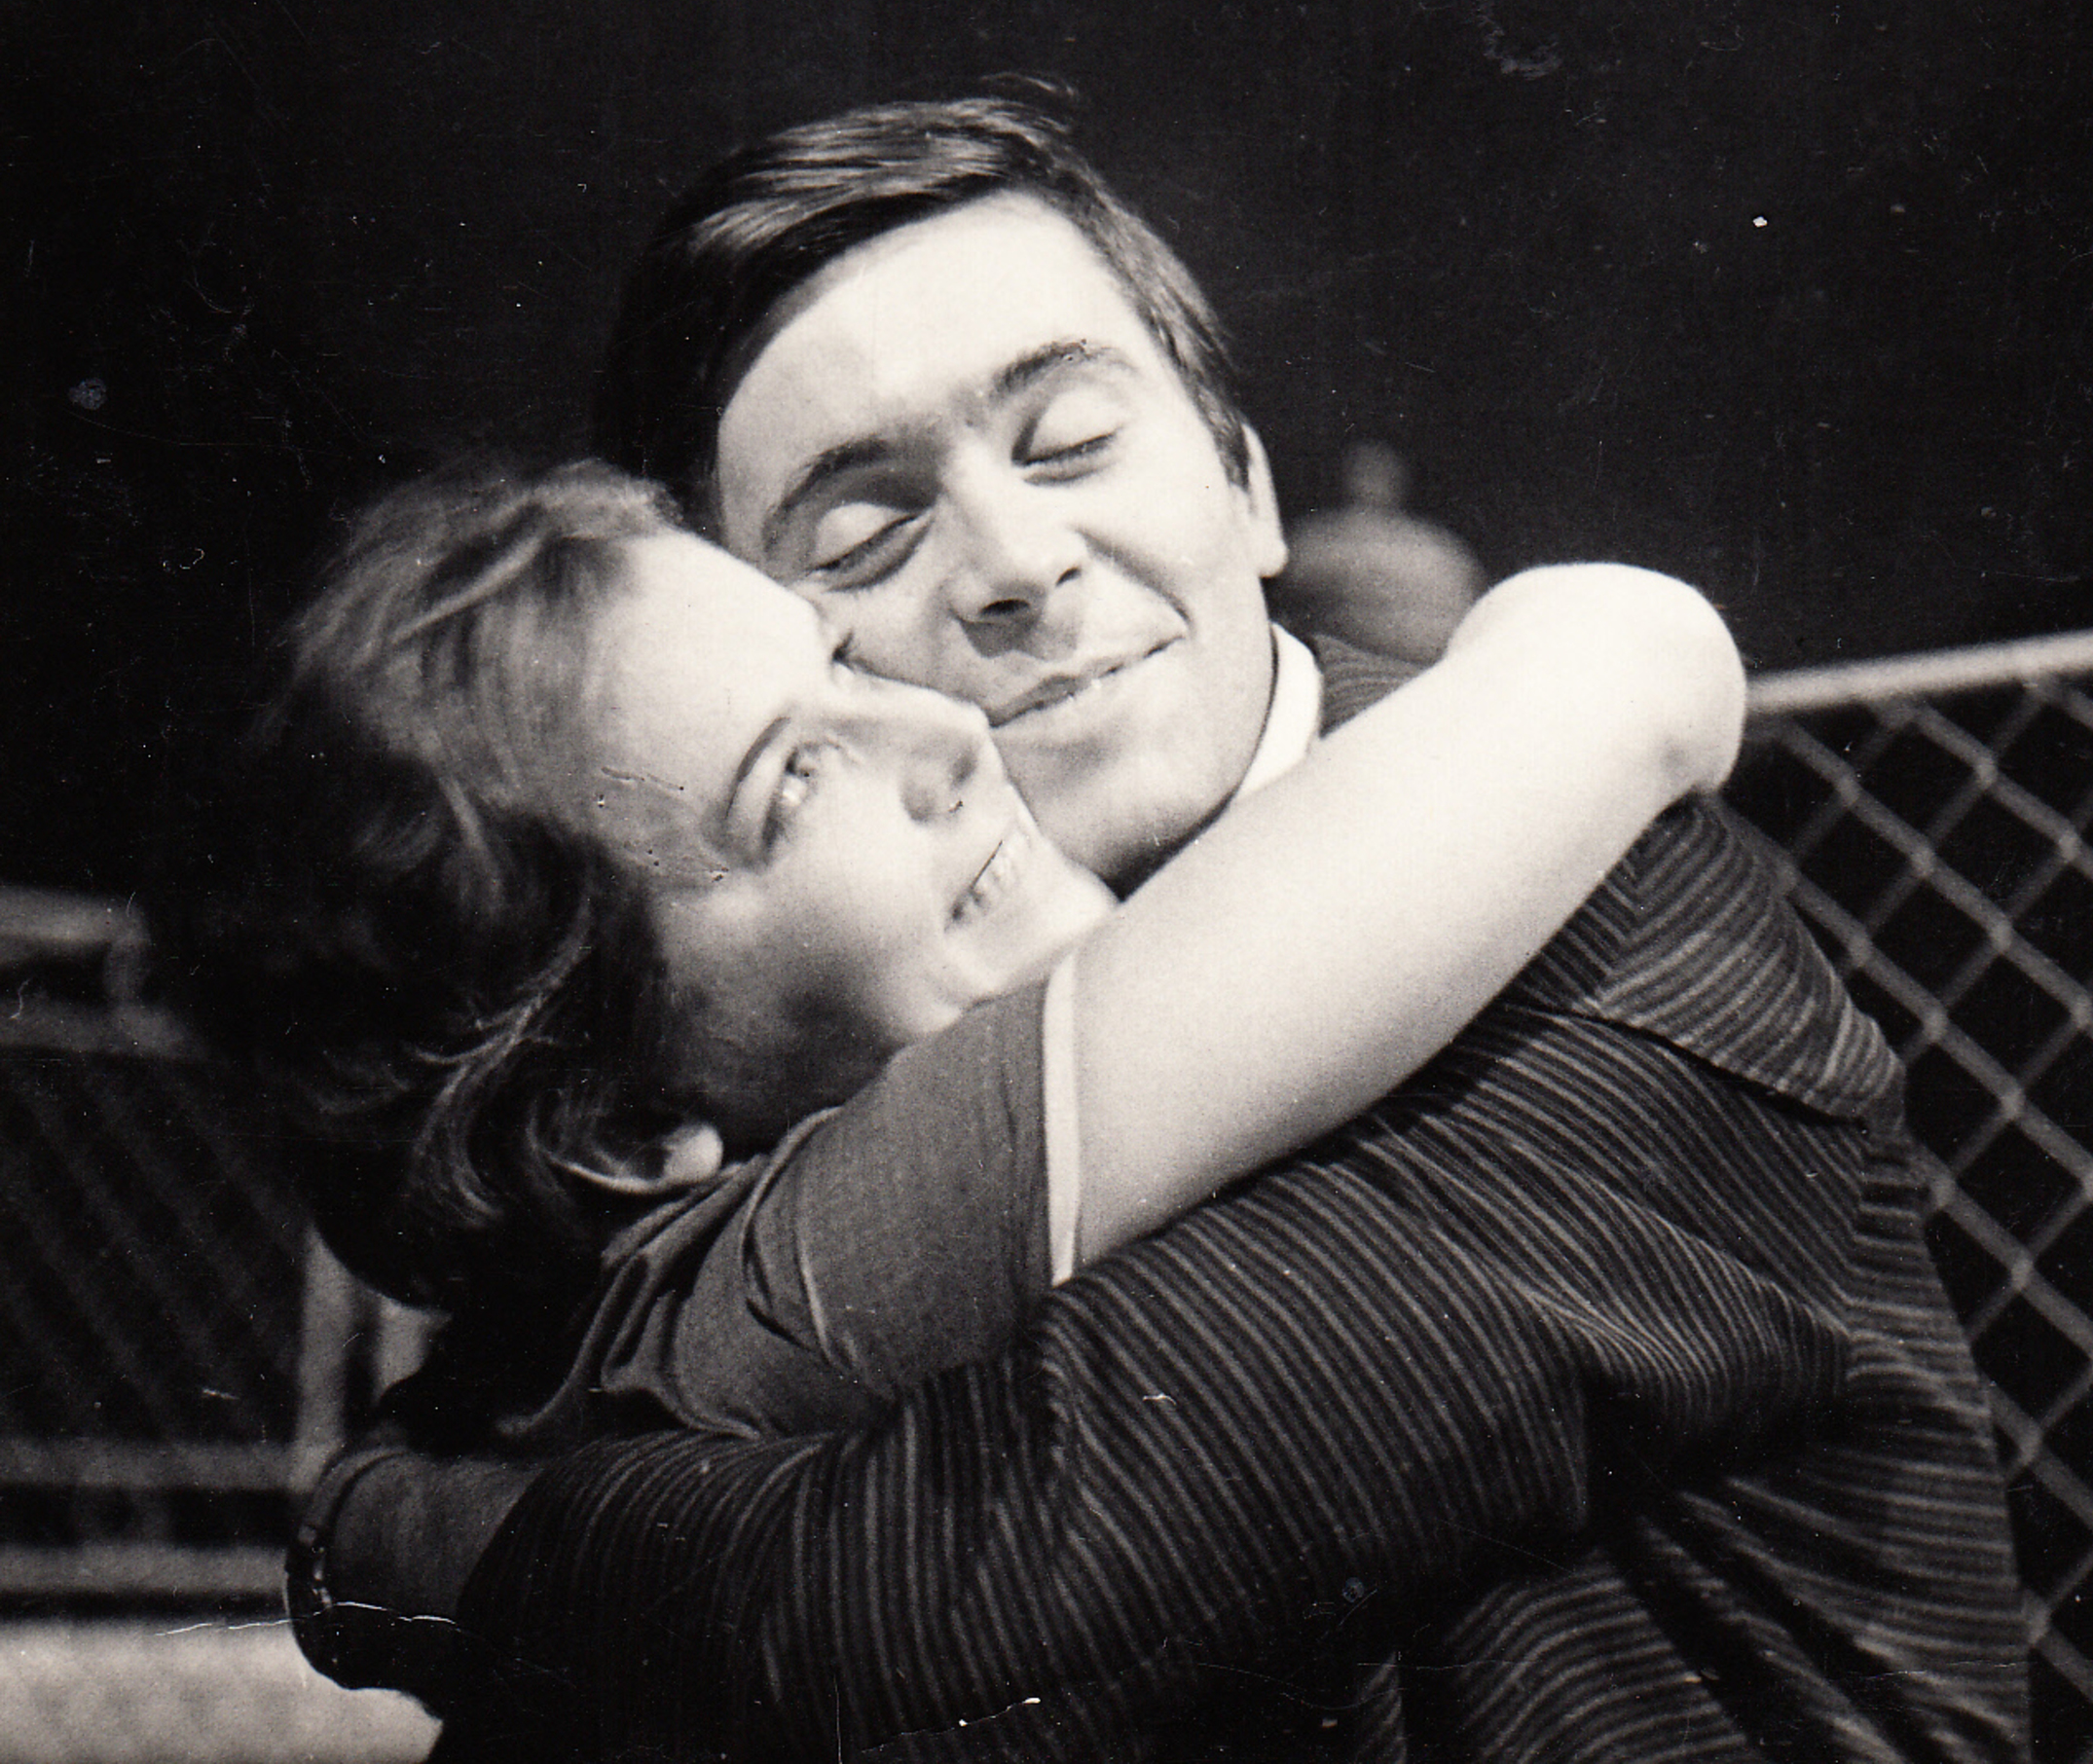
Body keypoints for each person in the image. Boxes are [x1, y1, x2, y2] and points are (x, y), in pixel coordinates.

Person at [299, 96, 2029, 1761]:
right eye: (866, 537)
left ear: (1249, 490)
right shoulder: (888, 1022)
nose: (1017, 559)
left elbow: (913, 1603)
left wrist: (421, 1527)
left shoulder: (1592, 907)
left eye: (1070, 441)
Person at [216, 458, 1737, 1460]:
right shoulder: (831, 1260)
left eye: (838, 663)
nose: (945, 731)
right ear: (619, 1123)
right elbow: (1634, 667)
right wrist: (1577, 623)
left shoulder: (589, 1390)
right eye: (791, 784)